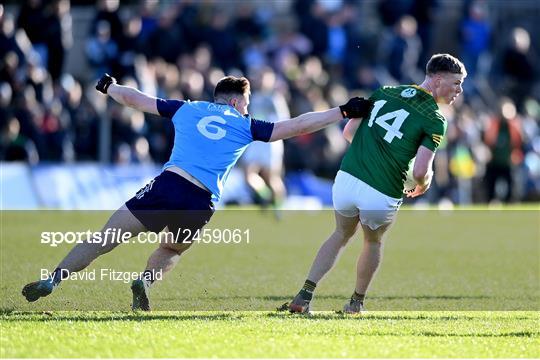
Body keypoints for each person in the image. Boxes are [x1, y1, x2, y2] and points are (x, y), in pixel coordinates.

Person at [22, 74, 373, 311]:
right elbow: (295, 126)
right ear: (236, 103)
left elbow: (136, 99)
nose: (247, 109)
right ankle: (144, 281)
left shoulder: (186, 109)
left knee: (104, 239)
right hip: (200, 202)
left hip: (168, 185)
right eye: (246, 103)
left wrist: (109, 88)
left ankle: (53, 279)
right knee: (171, 247)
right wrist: (340, 112)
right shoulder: (246, 125)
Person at [286, 53, 466, 314]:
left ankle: (304, 296)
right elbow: (420, 171)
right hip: (382, 190)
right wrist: (424, 184)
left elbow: (349, 133)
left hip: (347, 178)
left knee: (340, 235)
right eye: (456, 83)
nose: (459, 91)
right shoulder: (435, 119)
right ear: (438, 80)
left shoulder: (385, 91)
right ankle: (355, 304)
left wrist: (370, 153)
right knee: (372, 242)